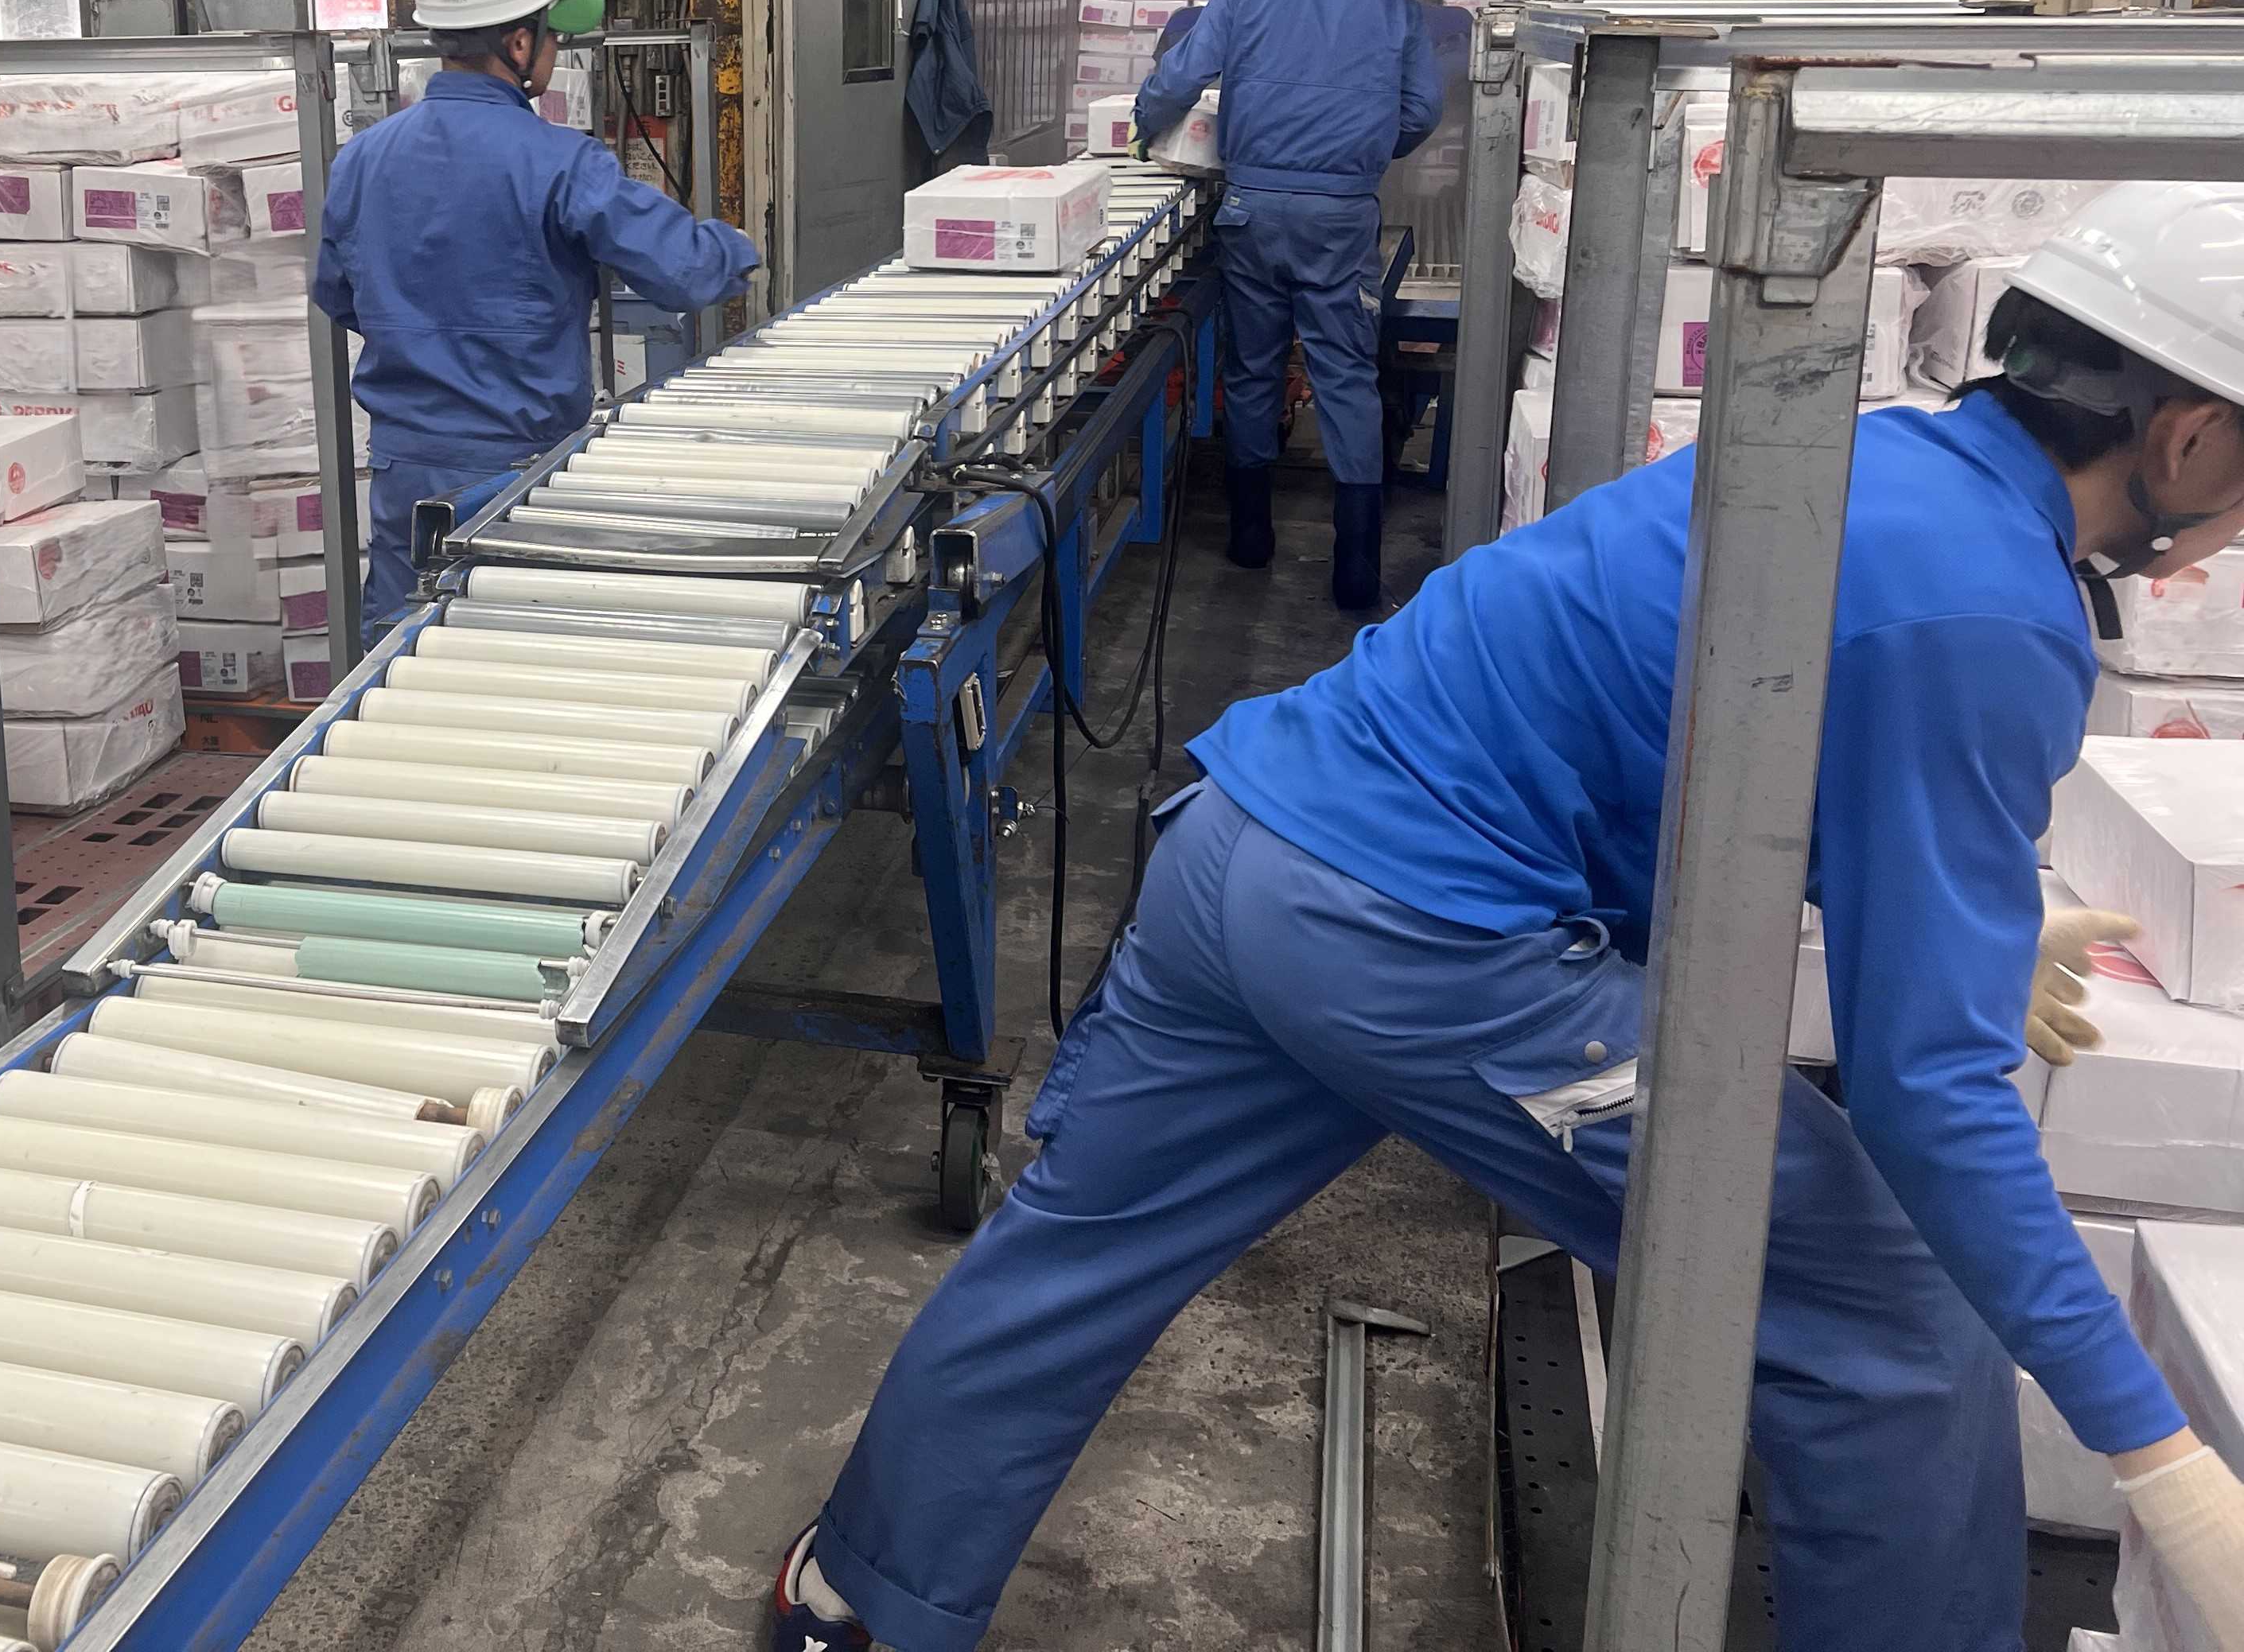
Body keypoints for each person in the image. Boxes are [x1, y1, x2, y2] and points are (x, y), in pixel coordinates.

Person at [768, 181, 2244, 1652]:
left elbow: (1712, 745)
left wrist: (1968, 927)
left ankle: (856, 1600)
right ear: (2185, 437)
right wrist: (2152, 1448)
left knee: (1080, 1250)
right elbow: (1928, 1097)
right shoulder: (1991, 608)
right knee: (1889, 1311)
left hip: (1246, 846)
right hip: (1422, 945)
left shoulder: (1865, 454)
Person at [314, 0, 760, 631]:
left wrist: (427, 340)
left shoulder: (362, 159)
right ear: (519, 43)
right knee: (526, 658)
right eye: (552, 32)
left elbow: (339, 296)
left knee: (400, 663)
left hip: (406, 473)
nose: (556, 46)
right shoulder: (560, 162)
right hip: (518, 475)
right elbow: (683, 273)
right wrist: (739, 248)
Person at [1131, 0, 1441, 610]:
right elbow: (1421, 113)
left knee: (1253, 369)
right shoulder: (1399, 11)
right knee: (1346, 376)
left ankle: (1250, 539)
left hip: (1252, 213)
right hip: (1340, 218)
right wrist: (1364, 150)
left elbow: (1179, 78)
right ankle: (1355, 570)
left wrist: (1143, 130)